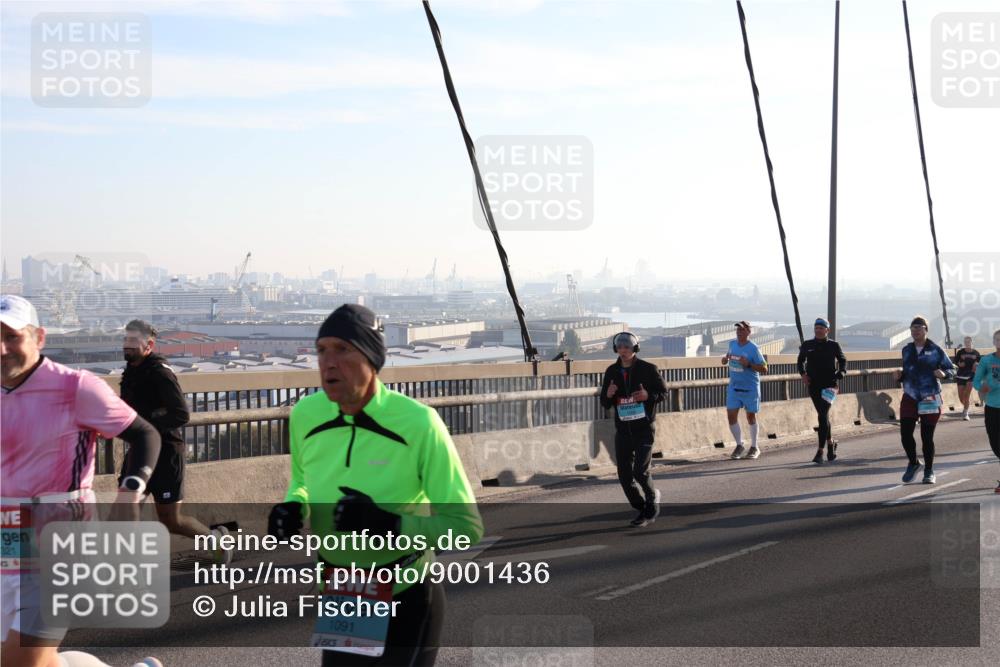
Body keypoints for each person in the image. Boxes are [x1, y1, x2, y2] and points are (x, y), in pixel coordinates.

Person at [267, 304, 482, 666]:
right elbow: (303, 481)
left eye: (342, 349)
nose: (328, 362)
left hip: (407, 595)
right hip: (345, 596)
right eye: (321, 350)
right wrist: (293, 507)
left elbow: (465, 528)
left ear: (371, 357)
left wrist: (390, 525)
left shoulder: (419, 423)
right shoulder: (306, 415)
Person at [1, 295, 163, 667]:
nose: (2, 348)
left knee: (21, 662)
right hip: (8, 538)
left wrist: (130, 492)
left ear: (39, 337)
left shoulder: (76, 387)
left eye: (12, 337)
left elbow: (145, 435)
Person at [118, 319, 234, 565]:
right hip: (139, 454)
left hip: (166, 453)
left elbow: (181, 413)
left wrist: (145, 424)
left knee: (171, 521)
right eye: (125, 340)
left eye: (132, 341)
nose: (126, 345)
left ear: (149, 344)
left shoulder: (160, 372)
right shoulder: (130, 371)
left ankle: (215, 540)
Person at [600, 331, 668, 527]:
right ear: (616, 349)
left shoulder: (648, 369)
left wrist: (648, 396)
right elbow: (605, 402)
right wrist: (609, 394)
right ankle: (642, 508)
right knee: (624, 474)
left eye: (627, 347)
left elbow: (663, 392)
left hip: (644, 428)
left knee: (640, 470)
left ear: (634, 348)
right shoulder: (611, 371)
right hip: (622, 430)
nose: (623, 351)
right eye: (620, 347)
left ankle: (651, 497)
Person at [893, 316, 955, 485]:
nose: (915, 331)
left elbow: (951, 369)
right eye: (912, 329)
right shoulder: (907, 350)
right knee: (905, 434)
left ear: (926, 330)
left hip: (930, 396)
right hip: (910, 395)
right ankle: (914, 463)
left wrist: (944, 374)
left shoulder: (936, 349)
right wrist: (900, 376)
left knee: (926, 437)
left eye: (919, 328)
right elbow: (908, 372)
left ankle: (929, 470)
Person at [797, 318, 847, 464]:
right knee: (822, 415)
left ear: (827, 330)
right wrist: (803, 374)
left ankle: (820, 451)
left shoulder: (833, 345)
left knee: (823, 414)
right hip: (814, 385)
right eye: (816, 328)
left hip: (830, 385)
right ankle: (831, 444)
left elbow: (843, 360)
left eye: (821, 328)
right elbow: (800, 361)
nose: (818, 330)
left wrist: (842, 371)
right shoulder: (807, 345)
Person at [723, 321, 768, 460]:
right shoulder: (732, 344)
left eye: (742, 330)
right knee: (731, 416)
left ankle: (754, 447)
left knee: (750, 417)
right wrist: (725, 360)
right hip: (734, 387)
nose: (739, 332)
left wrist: (748, 364)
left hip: (750, 388)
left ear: (749, 332)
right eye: (738, 330)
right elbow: (728, 356)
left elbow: (764, 368)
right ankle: (739, 445)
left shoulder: (754, 348)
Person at [972, 328, 1000, 493]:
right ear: (994, 342)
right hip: (992, 407)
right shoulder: (986, 360)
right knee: (995, 443)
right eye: (997, 339)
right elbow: (975, 381)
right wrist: (982, 387)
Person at [954, 336, 981, 420]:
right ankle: (966, 406)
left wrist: (976, 365)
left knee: (967, 395)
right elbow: (956, 361)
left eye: (969, 342)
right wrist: (959, 364)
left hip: (971, 375)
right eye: (966, 342)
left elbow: (980, 363)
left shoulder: (976, 353)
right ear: (964, 343)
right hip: (961, 375)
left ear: (972, 342)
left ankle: (966, 413)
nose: (967, 343)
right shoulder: (960, 352)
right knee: (961, 397)